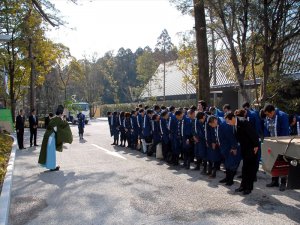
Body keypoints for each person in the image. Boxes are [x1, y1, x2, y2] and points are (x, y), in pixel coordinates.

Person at [225, 112, 259, 195]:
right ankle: (243, 186)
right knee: (244, 168)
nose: (228, 123)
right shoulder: (235, 124)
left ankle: (248, 188)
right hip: (244, 148)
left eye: (228, 121)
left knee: (250, 169)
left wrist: (256, 145)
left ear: (232, 118)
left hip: (251, 148)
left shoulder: (243, 122)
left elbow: (253, 133)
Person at [263, 104, 290, 191]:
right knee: (273, 162)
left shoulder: (282, 116)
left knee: (282, 163)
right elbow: (267, 129)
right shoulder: (268, 117)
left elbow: (285, 131)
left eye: (268, 114)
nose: (267, 116)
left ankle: (283, 182)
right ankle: (274, 181)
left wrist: (280, 144)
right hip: (272, 144)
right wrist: (267, 141)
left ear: (273, 111)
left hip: (282, 144)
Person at [38, 105, 73, 171]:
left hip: (48, 136)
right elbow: (59, 128)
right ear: (60, 113)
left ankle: (51, 165)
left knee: (48, 152)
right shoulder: (58, 119)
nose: (63, 114)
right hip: (51, 137)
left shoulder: (54, 118)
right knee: (51, 152)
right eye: (62, 113)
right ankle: (52, 166)